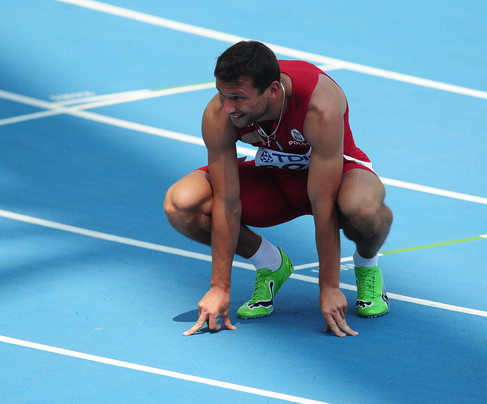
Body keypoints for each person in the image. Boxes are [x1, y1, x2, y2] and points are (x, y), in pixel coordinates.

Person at [163, 40, 393, 338]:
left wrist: (330, 287)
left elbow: (322, 203)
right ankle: (270, 263)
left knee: (362, 208)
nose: (227, 107)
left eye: (238, 98)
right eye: (222, 94)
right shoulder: (220, 114)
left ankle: (367, 265)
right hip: (273, 179)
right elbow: (227, 200)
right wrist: (219, 287)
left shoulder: (318, 106)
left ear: (272, 90)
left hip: (336, 179)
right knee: (180, 203)